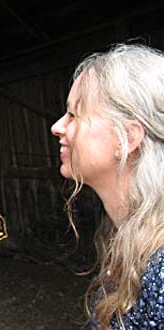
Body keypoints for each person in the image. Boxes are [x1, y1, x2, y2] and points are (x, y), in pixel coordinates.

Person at [51, 43, 164, 329]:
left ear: (127, 137)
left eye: (74, 115)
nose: (57, 127)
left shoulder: (161, 269)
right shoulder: (129, 236)